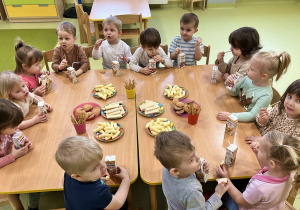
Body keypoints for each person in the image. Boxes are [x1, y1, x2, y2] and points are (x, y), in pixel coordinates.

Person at [217, 131, 300, 210]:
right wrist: (258, 153)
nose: (258, 146)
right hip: (269, 205)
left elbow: (239, 200)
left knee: (223, 193)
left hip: (244, 206)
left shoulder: (260, 187)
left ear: (271, 163)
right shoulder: (288, 171)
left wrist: (226, 179)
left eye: (260, 149)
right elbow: (267, 167)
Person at [154, 131, 229, 209]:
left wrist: (200, 165)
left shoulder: (168, 166)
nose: (198, 158)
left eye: (194, 151)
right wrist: (218, 194)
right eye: (191, 160)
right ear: (175, 171)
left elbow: (184, 162)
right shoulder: (192, 192)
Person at [55, 136, 130, 210]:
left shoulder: (69, 173)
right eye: (94, 168)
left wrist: (96, 178)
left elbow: (63, 182)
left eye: (101, 159)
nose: (104, 165)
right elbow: (118, 203)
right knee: (123, 203)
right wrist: (126, 179)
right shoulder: (100, 193)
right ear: (77, 176)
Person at [217, 51, 291, 122]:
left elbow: (252, 116)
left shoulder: (266, 96)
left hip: (249, 124)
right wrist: (230, 84)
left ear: (263, 76)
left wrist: (230, 116)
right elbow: (234, 93)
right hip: (238, 111)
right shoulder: (247, 79)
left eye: (251, 69)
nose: (247, 69)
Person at [0, 99, 41, 210]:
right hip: (5, 173)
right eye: (14, 126)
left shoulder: (8, 129)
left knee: (35, 179)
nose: (17, 127)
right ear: (2, 128)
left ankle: (32, 205)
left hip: (11, 164)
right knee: (28, 183)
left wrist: (24, 141)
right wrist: (12, 156)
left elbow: (16, 132)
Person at [245, 79, 300, 143]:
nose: (290, 103)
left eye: (298, 101)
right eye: (290, 97)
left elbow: (287, 150)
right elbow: (264, 123)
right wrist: (262, 119)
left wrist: (262, 141)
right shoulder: (280, 107)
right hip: (259, 138)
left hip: (272, 150)